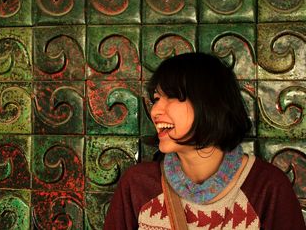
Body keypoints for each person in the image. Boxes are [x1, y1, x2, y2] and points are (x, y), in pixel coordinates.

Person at [103, 52, 306, 230]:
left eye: (172, 97)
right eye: (156, 98)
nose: (155, 110)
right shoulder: (137, 184)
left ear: (210, 105)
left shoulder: (267, 187)